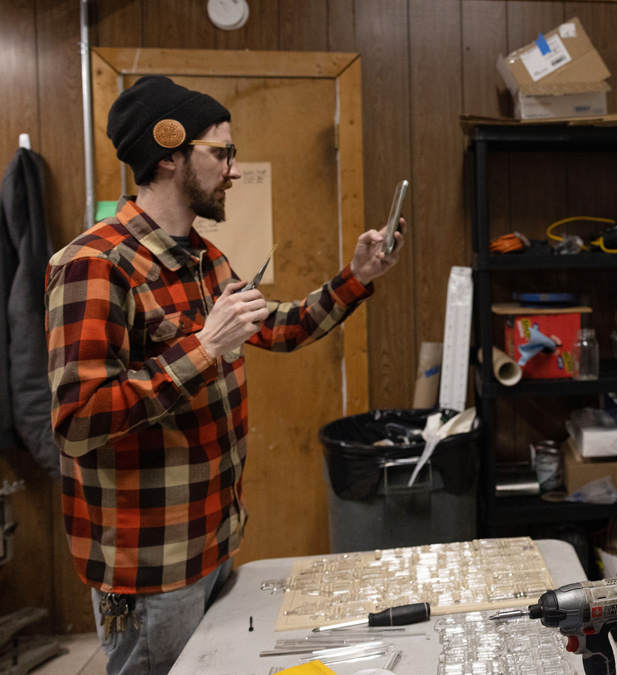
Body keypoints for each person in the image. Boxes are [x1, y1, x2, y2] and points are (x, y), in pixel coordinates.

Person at [44, 75, 404, 675]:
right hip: (146, 564)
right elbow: (79, 420)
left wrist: (357, 276)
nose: (234, 170)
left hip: (211, 539)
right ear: (168, 157)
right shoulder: (93, 265)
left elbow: (279, 327)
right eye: (221, 152)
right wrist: (205, 347)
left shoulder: (203, 258)